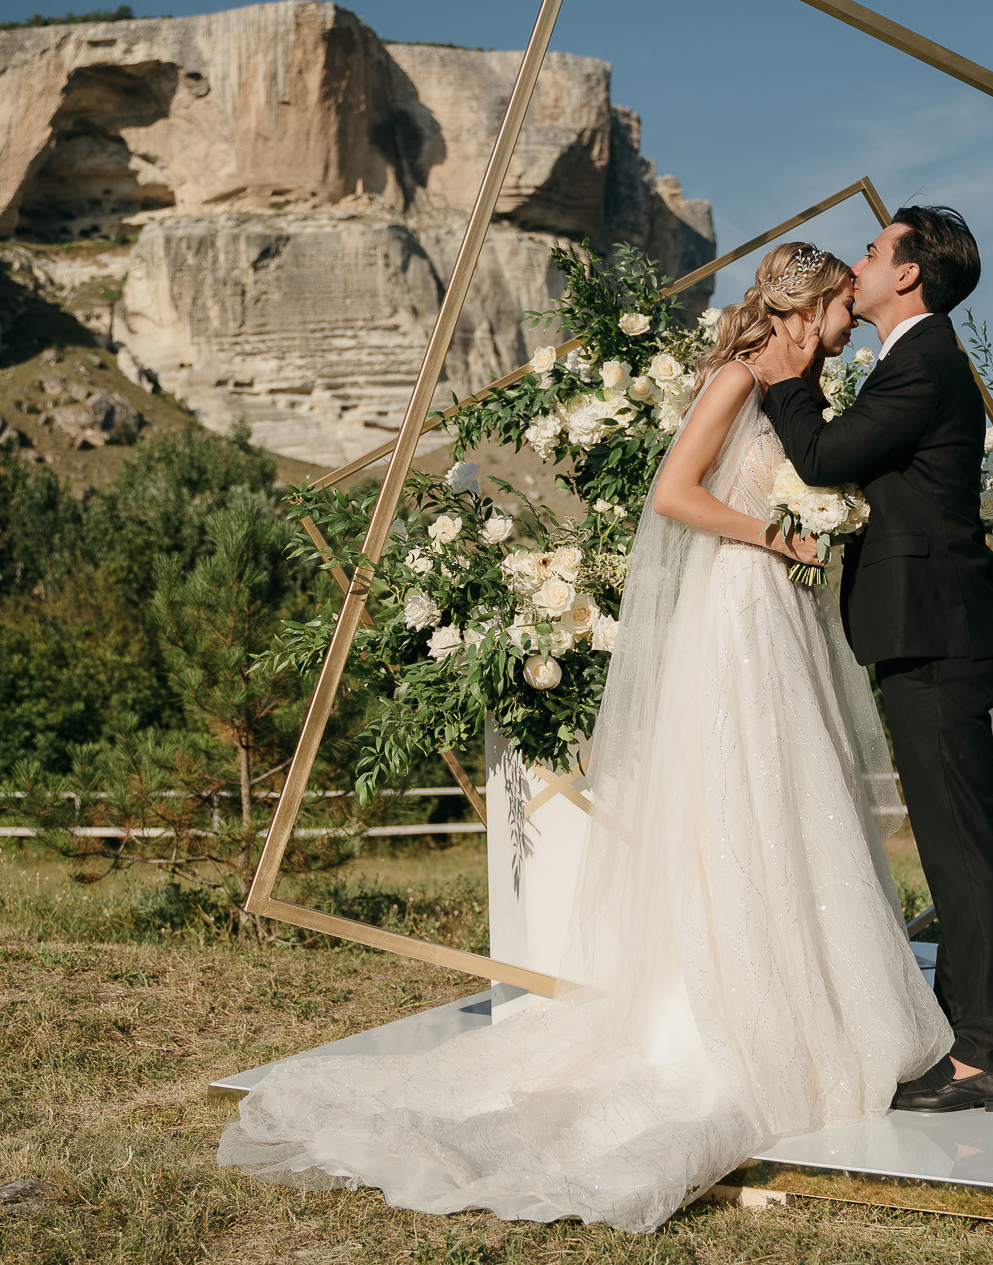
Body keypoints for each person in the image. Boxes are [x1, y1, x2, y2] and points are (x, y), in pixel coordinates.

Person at [219, 242, 951, 1232]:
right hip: (738, 610)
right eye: (840, 307)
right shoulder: (738, 378)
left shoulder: (805, 391)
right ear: (806, 307)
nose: (850, 320)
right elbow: (673, 495)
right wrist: (773, 533)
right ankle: (730, 1017)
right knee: (744, 797)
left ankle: (814, 1003)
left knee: (794, 800)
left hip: (779, 611)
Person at [752, 206, 993, 1115]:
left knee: (960, 845)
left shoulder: (924, 360)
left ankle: (988, 1055)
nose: (859, 263)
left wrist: (784, 380)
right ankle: (963, 1034)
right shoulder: (915, 359)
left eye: (873, 251)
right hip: (927, 632)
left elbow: (826, 454)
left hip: (936, 634)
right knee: (950, 841)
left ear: (907, 273)